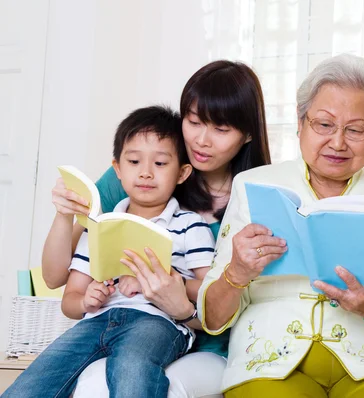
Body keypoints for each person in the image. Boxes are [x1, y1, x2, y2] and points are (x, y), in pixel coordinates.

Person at [126, 53, 364, 397]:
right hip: (267, 363)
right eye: (324, 124)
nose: (337, 142)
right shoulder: (253, 187)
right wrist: (237, 272)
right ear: (300, 122)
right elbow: (212, 317)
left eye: (355, 130)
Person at [40, 60, 271, 397]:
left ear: (247, 133)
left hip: (214, 345)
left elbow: (247, 297)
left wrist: (176, 289)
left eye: (221, 130)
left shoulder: (256, 198)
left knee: (159, 384)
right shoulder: (144, 169)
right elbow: (55, 277)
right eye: (193, 122)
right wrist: (64, 215)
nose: (202, 140)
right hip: (122, 326)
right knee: (92, 385)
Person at [4, 105, 216, 397]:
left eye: (160, 164)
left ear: (182, 173)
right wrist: (86, 301)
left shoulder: (189, 225)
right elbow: (69, 300)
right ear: (117, 169)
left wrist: (159, 279)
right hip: (96, 321)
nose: (145, 173)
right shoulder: (99, 227)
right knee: (35, 381)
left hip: (157, 322)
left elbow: (210, 290)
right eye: (133, 161)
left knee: (133, 368)